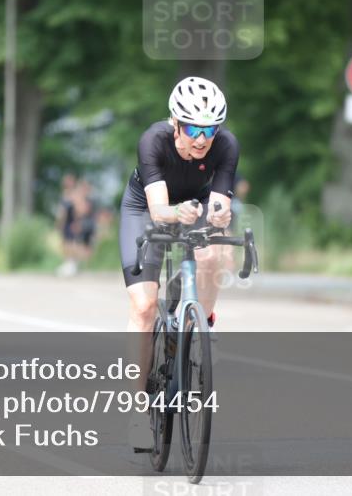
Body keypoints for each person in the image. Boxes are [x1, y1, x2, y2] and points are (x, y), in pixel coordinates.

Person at [120, 76, 237, 448]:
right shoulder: (153, 141)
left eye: (210, 129)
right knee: (143, 307)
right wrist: (177, 213)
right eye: (192, 128)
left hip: (195, 207)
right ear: (175, 123)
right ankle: (137, 410)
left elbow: (219, 203)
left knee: (218, 252)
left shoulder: (226, 145)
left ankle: (203, 324)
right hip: (147, 208)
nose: (202, 138)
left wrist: (219, 217)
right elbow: (158, 208)